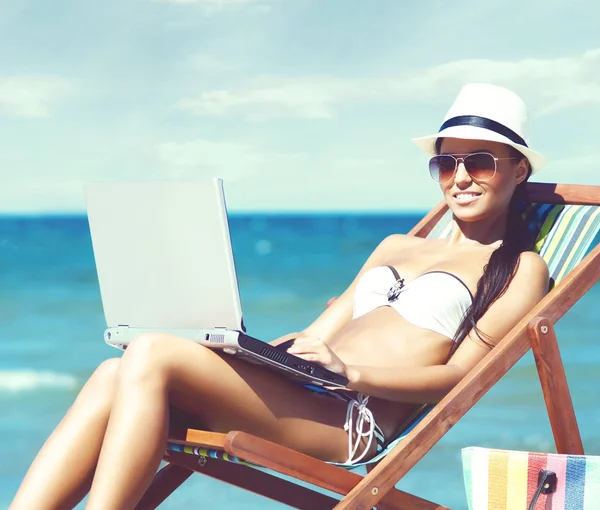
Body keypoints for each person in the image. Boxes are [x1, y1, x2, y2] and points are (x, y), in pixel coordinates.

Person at [10, 82, 550, 510]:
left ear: (517, 168)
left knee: (152, 353)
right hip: (307, 390)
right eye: (446, 164)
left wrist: (352, 374)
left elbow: (461, 377)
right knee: (115, 371)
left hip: (350, 419)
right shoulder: (397, 244)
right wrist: (257, 354)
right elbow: (324, 330)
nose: (460, 178)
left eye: (479, 162)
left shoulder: (520, 268)